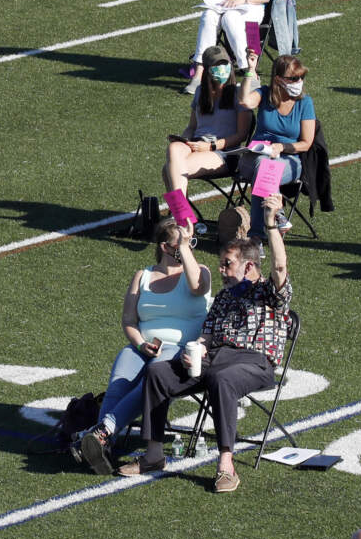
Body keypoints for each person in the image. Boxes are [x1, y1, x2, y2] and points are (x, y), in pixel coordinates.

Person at [121, 210, 292, 493]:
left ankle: (226, 465)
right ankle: (153, 454)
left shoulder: (269, 293)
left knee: (221, 380)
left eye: (227, 265)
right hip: (214, 358)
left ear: (249, 267)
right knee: (158, 371)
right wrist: (197, 350)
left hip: (253, 363)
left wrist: (272, 227)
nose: (221, 271)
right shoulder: (224, 297)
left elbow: (280, 268)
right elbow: (207, 334)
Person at [76, 217, 213, 473]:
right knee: (119, 383)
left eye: (191, 242)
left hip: (181, 349)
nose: (189, 247)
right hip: (144, 347)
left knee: (151, 378)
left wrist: (184, 248)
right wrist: (140, 344)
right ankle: (101, 442)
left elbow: (197, 288)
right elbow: (129, 319)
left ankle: (101, 432)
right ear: (164, 247)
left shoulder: (199, 270)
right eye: (181, 243)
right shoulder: (143, 276)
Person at [165, 44, 258, 194]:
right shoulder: (201, 92)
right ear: (207, 69)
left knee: (171, 169)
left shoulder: (238, 94)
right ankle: (180, 215)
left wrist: (211, 146)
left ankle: (179, 215)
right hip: (197, 143)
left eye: (224, 64)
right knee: (174, 148)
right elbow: (192, 127)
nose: (222, 69)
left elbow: (242, 134)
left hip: (224, 152)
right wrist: (185, 140)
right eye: (217, 65)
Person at [243, 55, 316, 232]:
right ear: (278, 79)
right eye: (293, 78)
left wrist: (281, 147)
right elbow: (245, 102)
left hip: (288, 160)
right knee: (263, 164)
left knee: (264, 168)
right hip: (254, 156)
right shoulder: (264, 94)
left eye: (301, 77)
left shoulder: (304, 103)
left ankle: (257, 235)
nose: (299, 81)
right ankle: (276, 213)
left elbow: (306, 143)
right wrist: (250, 71)